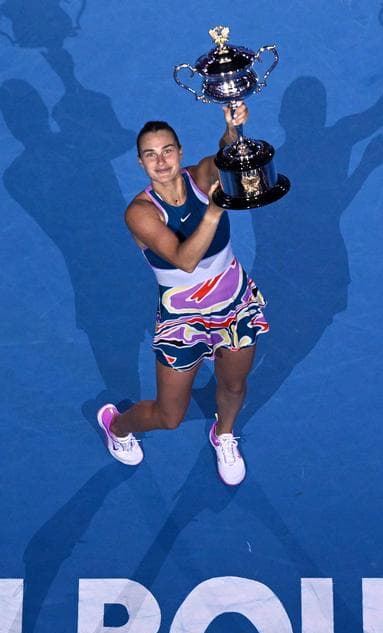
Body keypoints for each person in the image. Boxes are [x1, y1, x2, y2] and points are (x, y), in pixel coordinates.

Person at [96, 103, 268, 486]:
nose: (161, 161)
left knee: (234, 384)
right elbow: (185, 261)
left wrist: (233, 129)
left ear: (181, 152)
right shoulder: (140, 213)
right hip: (182, 319)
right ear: (140, 164)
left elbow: (226, 156)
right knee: (169, 417)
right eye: (150, 155)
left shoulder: (200, 175)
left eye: (167, 150)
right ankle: (116, 425)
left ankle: (224, 433)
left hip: (233, 301)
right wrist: (213, 211)